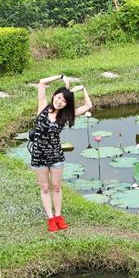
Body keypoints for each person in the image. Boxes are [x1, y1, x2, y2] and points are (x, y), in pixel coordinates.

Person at [32, 75, 93, 232]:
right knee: (45, 188)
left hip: (56, 156)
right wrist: (61, 77)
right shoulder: (42, 107)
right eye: (58, 98)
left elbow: (88, 105)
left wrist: (82, 89)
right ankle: (50, 219)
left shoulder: (65, 115)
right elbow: (42, 82)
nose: (59, 102)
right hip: (39, 155)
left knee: (57, 187)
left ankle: (59, 216)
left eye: (63, 101)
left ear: (66, 104)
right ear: (54, 96)